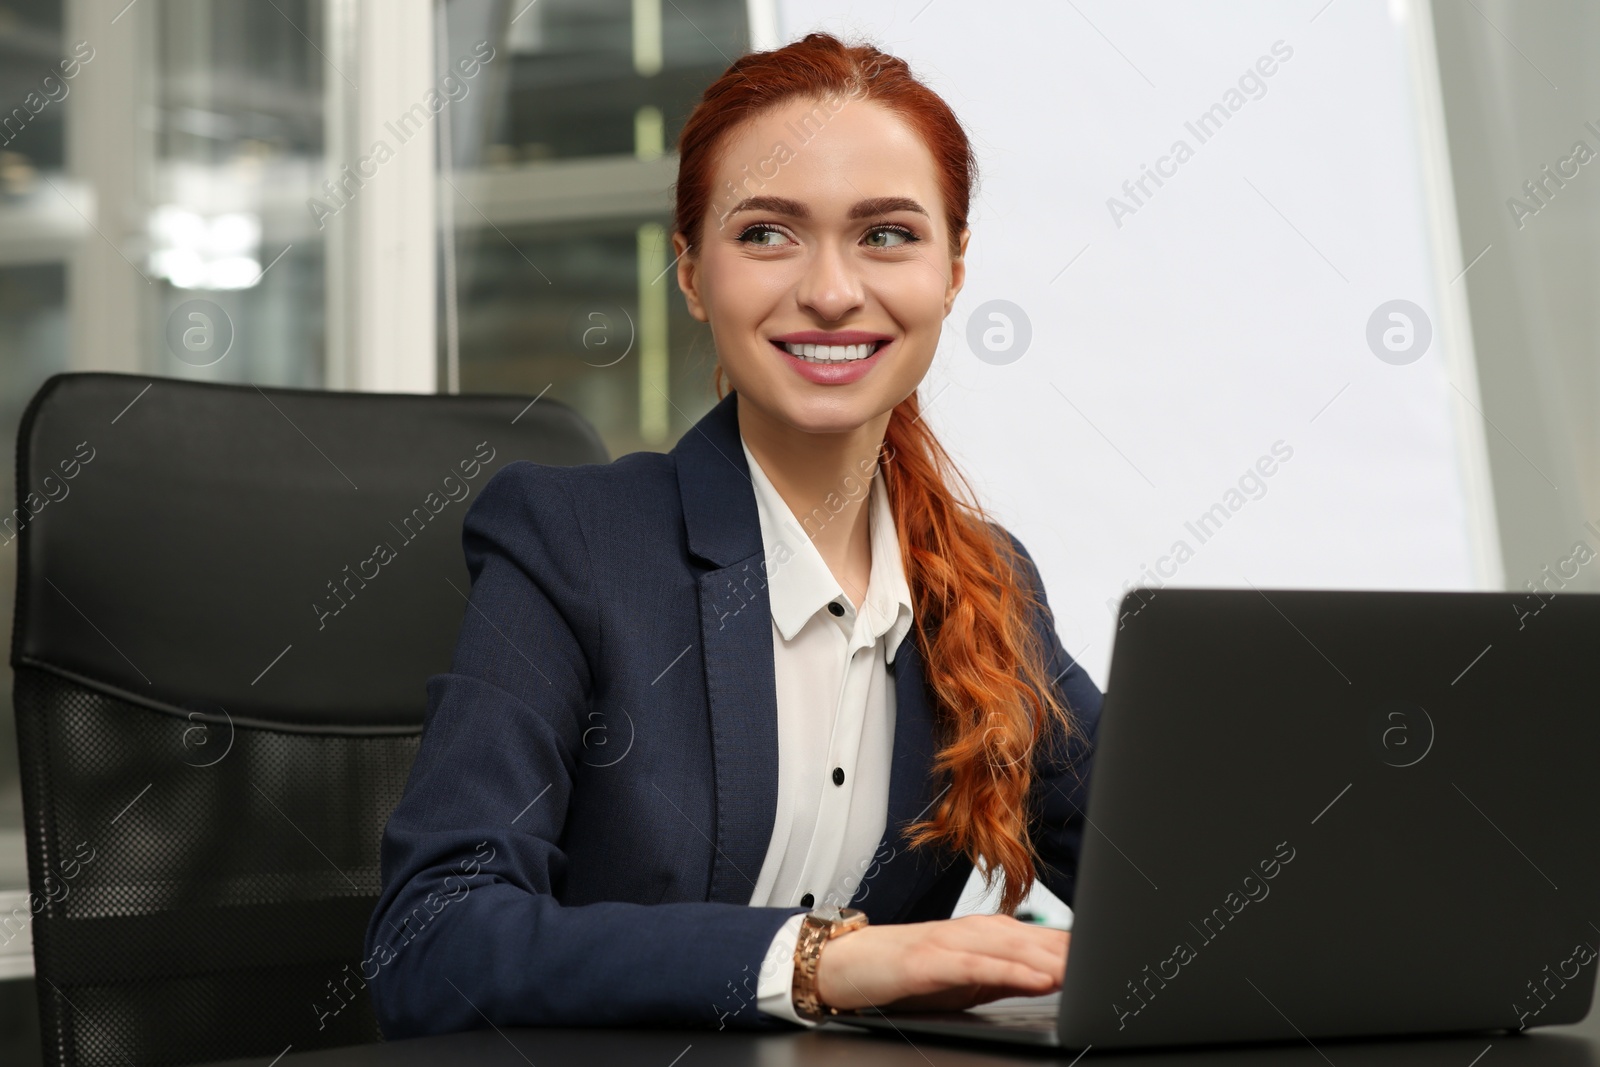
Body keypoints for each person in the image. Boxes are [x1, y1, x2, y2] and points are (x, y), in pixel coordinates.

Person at [366, 30, 1103, 1035]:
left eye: (886, 234)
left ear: (953, 272)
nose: (833, 289)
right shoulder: (570, 543)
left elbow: (1167, 876)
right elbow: (432, 940)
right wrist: (819, 961)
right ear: (692, 275)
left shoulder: (984, 579)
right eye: (767, 234)